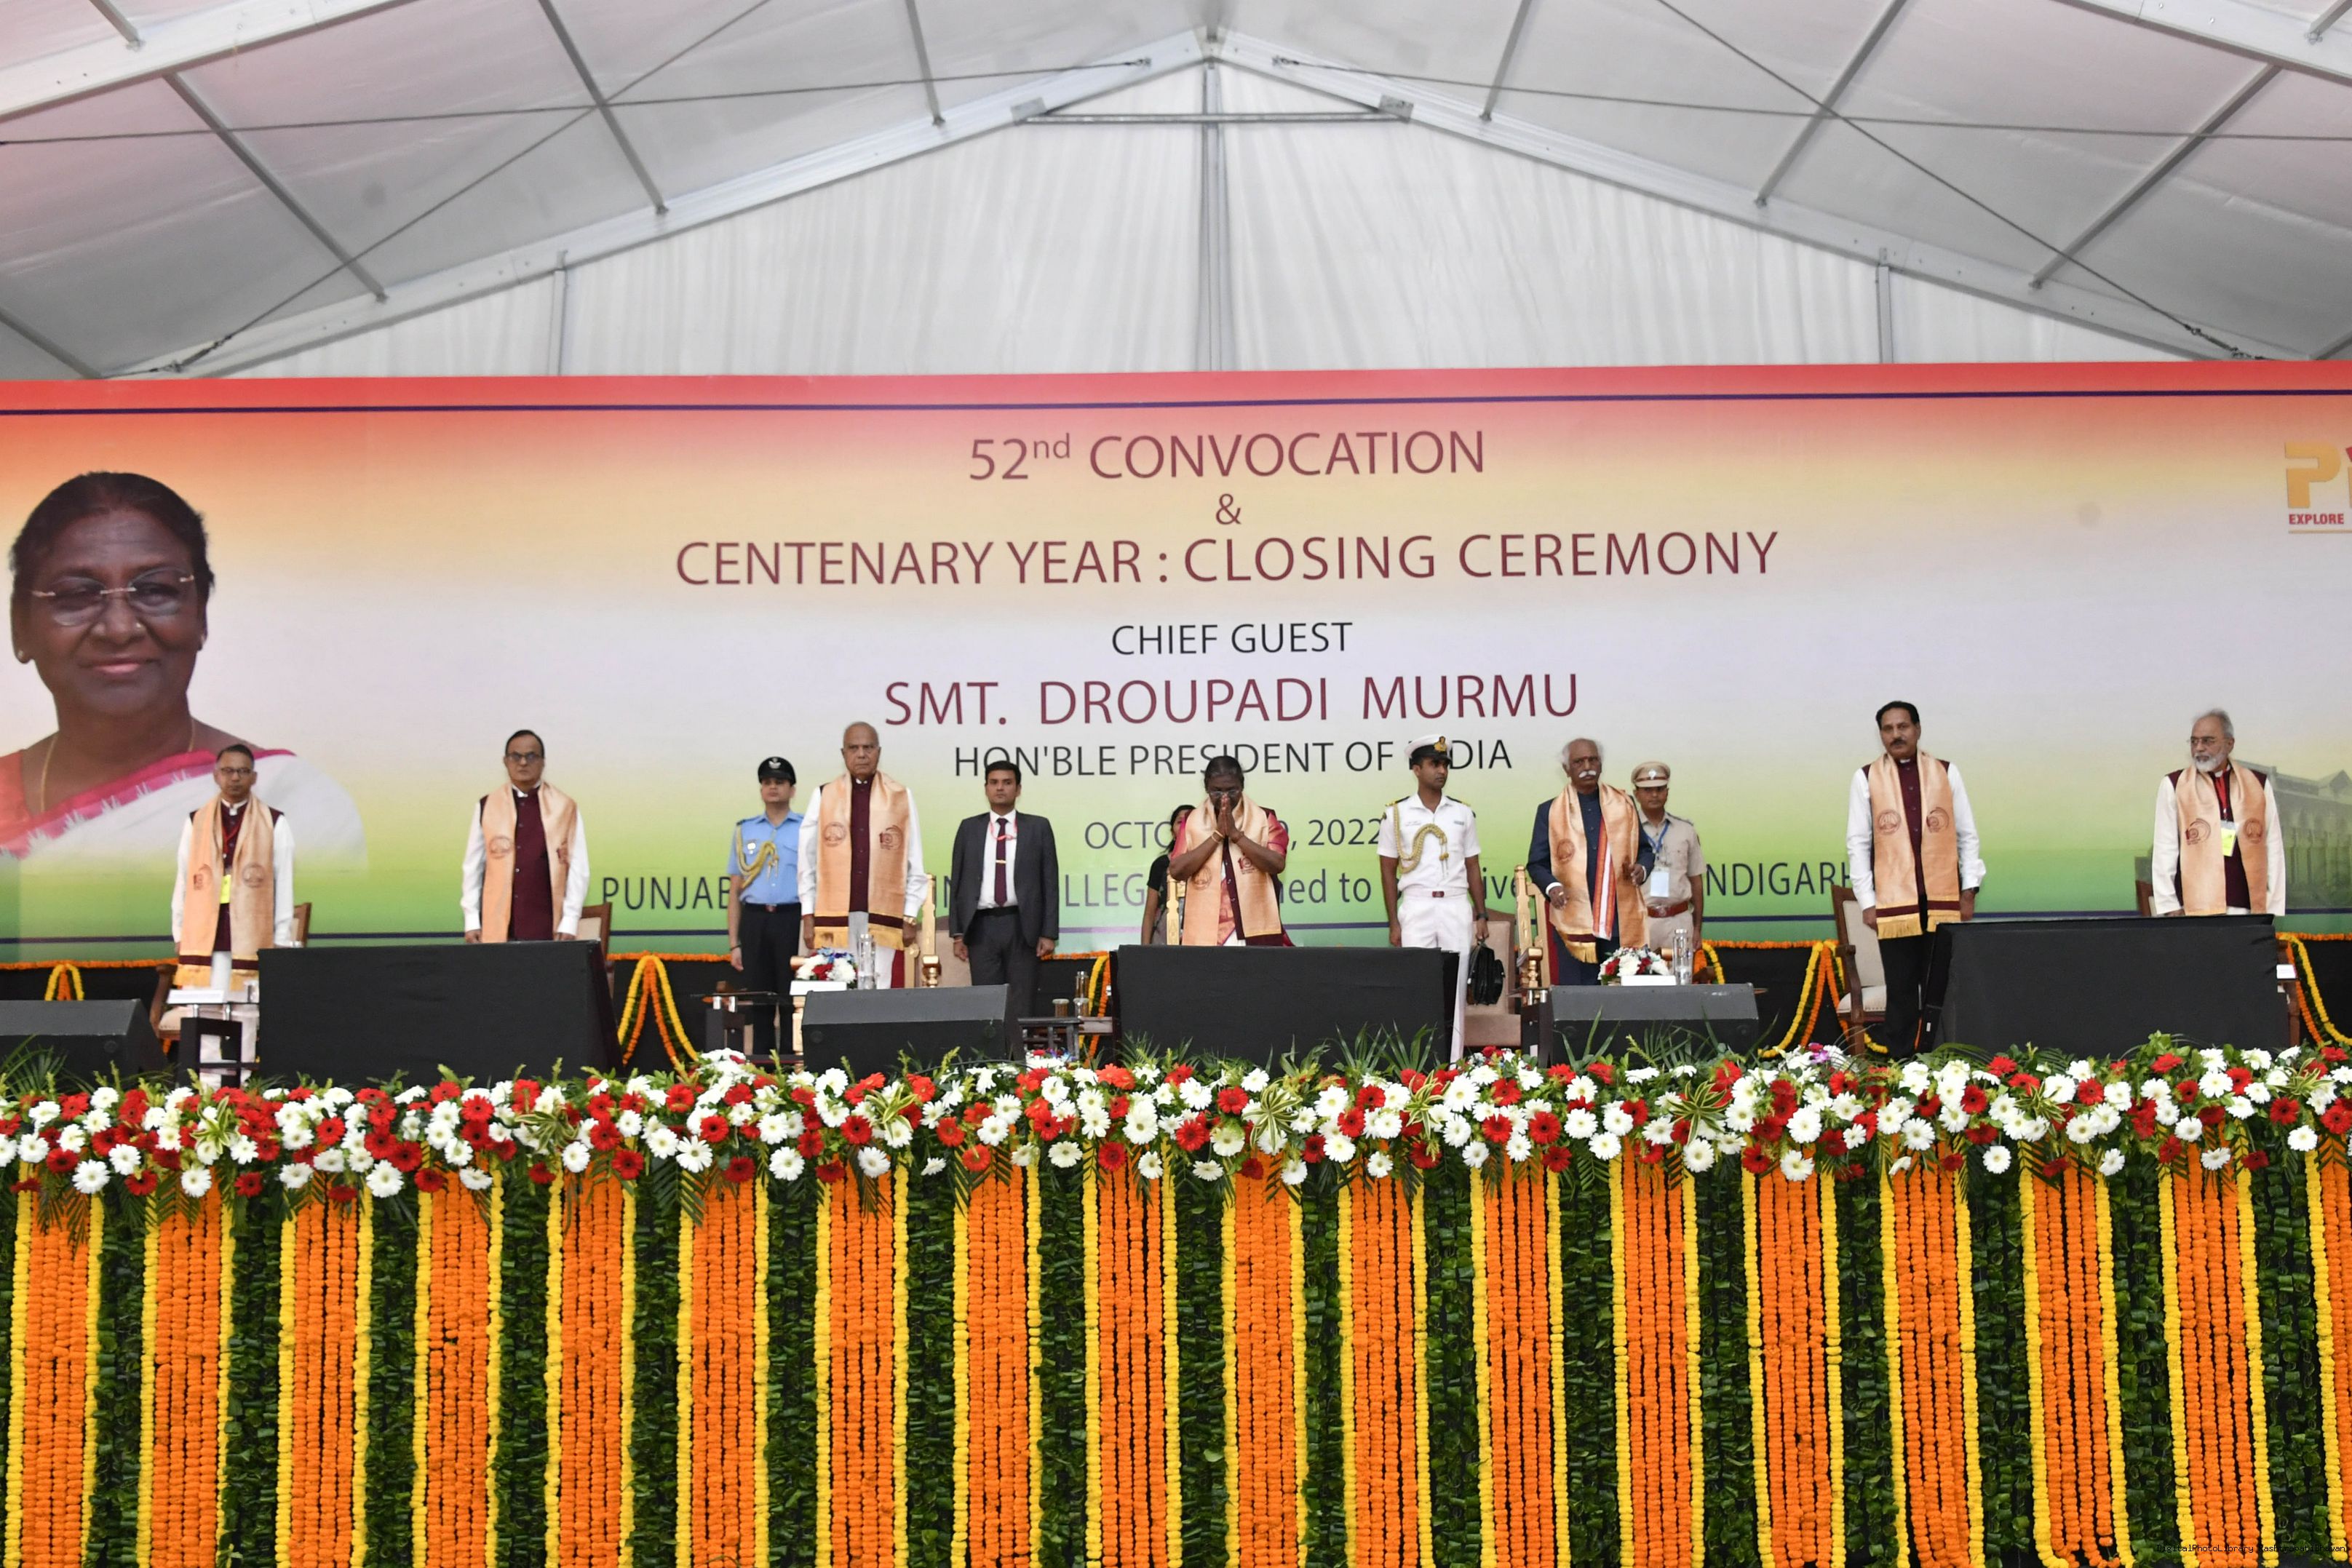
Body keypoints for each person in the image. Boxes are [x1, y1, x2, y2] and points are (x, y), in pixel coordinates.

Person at [2, 471, 362, 864]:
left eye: (155, 590)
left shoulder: (290, 809)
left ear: (200, 617)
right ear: (21, 627)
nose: (119, 629)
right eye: (77, 594)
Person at [1846, 701, 1984, 1055]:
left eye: (1903, 727)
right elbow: (1858, 843)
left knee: (1944, 990)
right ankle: (1901, 1068)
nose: (1896, 735)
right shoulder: (1866, 778)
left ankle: (1948, 1065)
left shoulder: (1946, 772)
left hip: (1942, 902)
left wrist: (1969, 891)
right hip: (1894, 905)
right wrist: (1868, 903)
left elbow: (1967, 835)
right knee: (1902, 990)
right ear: (1881, 735)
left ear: (1918, 729)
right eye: (1888, 729)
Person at [1378, 736, 1487, 1057]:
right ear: (1416, 769)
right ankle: (1420, 1062)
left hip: (1455, 903)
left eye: (1445, 765)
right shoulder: (1396, 813)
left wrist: (1481, 914)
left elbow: (1473, 865)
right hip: (1417, 904)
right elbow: (1387, 869)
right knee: (1417, 985)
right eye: (1434, 764)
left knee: (1456, 988)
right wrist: (1393, 921)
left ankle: (1453, 1063)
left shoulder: (1462, 813)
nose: (1441, 771)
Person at [798, 722, 929, 987]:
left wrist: (909, 914)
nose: (861, 754)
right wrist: (808, 914)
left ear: (878, 752)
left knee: (878, 989)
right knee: (838, 986)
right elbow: (806, 862)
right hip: (835, 916)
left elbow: (914, 860)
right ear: (843, 753)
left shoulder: (900, 796)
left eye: (868, 748)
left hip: (883, 913)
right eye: (854, 748)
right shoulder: (824, 795)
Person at [169, 744, 295, 989]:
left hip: (252, 933)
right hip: (205, 933)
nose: (235, 778)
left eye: (243, 771)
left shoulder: (274, 822)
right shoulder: (196, 821)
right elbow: (184, 878)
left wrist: (281, 938)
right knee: (205, 1005)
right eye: (228, 771)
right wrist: (179, 931)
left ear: (254, 777)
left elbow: (284, 883)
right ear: (216, 776)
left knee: (245, 1007)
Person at [950, 760, 1061, 1020]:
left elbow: (1050, 882)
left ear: (1018, 789)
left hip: (1023, 926)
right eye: (994, 783)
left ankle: (1018, 1047)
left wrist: (1048, 933)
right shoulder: (969, 828)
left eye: (1007, 783)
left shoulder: (1038, 827)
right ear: (986, 788)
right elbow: (958, 882)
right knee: (986, 1002)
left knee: (1022, 1001)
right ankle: (991, 1048)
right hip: (981, 927)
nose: (1000, 788)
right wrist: (958, 934)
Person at [1526, 738, 1642, 984]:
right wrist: (1552, 887)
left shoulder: (1624, 804)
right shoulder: (1549, 811)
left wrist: (1642, 868)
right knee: (1579, 997)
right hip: (1574, 919)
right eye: (1579, 762)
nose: (1587, 766)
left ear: (1601, 764)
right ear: (1566, 769)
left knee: (1622, 993)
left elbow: (1645, 850)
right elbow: (1536, 863)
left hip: (1619, 919)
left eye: (1593, 760)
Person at [2150, 709, 2284, 917]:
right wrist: (2169, 905)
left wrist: (2272, 906)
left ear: (2230, 744)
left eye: (2208, 741)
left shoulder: (2258, 784)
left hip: (2248, 908)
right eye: (2194, 742)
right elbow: (2164, 848)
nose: (2199, 748)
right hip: (2194, 910)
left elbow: (2273, 846)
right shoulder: (2174, 785)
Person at [462, 730, 589, 942]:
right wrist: (472, 919)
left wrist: (570, 919)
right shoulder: (488, 805)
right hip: (497, 924)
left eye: (531, 756)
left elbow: (578, 867)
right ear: (505, 762)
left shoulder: (565, 807)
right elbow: (473, 867)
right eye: (516, 756)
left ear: (543, 762)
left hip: (547, 925)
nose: (523, 763)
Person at [1165, 755, 1290, 946]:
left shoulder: (1264, 817)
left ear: (1242, 785)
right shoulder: (1191, 821)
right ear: (1206, 787)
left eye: (1232, 790)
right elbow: (1177, 870)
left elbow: (1277, 864)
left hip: (1254, 933)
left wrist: (1236, 836)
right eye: (1217, 791)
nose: (1225, 797)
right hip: (1205, 934)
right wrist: (1216, 836)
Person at [727, 757, 803, 1056]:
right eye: (768, 782)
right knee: (760, 998)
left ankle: (791, 1063)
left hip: (791, 918)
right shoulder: (745, 830)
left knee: (790, 996)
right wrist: (734, 943)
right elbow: (735, 891)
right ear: (761, 789)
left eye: (780, 782)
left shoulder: (805, 828)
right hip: (756, 920)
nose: (773, 787)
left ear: (792, 790)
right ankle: (761, 1068)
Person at [1630, 762, 1706, 965]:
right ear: (1636, 794)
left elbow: (1696, 881)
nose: (1654, 795)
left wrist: (1697, 928)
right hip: (1641, 921)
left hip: (1678, 920)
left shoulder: (1685, 830)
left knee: (1681, 979)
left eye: (1659, 789)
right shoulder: (1627, 831)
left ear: (1667, 792)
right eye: (1647, 790)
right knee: (1640, 979)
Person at [1138, 804, 1193, 944]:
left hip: (1199, 941)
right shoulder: (1161, 864)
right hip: (1163, 941)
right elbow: (1149, 913)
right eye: (1180, 822)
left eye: (1190, 821)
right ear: (1172, 832)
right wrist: (1144, 951)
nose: (1184, 827)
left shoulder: (1210, 863)